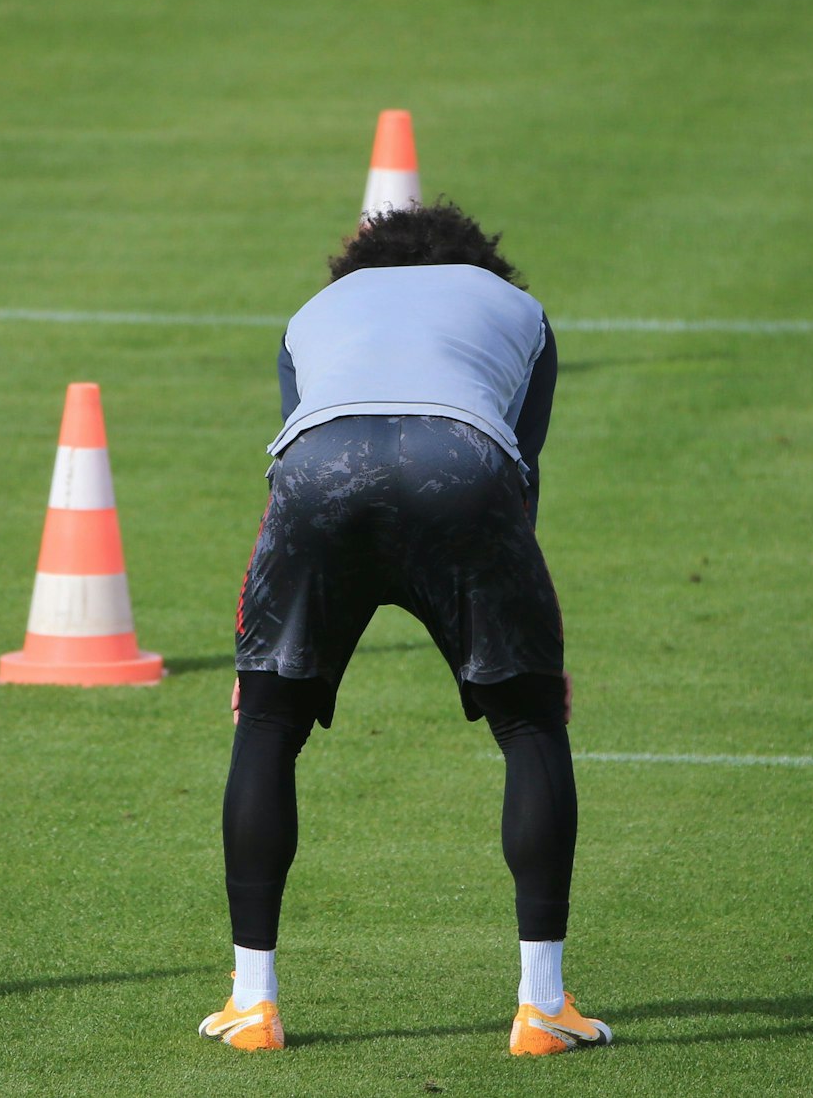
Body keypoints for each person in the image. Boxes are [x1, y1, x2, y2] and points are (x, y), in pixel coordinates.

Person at [201, 202, 612, 1052]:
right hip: (461, 465)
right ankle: (541, 1006)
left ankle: (252, 1002)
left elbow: (290, 460)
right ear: (479, 266)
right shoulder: (520, 314)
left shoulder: (312, 315)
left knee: (268, 725)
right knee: (530, 725)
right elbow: (518, 477)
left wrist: (259, 658)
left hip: (319, 472)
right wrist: (533, 655)